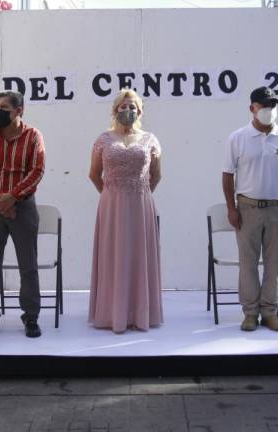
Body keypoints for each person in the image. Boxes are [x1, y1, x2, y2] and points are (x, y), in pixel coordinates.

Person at [222, 87, 278, 332]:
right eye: (264, 106)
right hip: (247, 207)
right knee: (248, 262)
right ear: (252, 109)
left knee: (274, 262)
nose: (269, 111)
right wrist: (231, 208)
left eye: (272, 106)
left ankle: (270, 311)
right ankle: (250, 313)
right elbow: (227, 175)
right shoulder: (238, 138)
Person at [88, 88, 163, 333]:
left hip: (141, 203)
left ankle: (140, 313)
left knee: (138, 253)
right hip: (111, 204)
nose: (128, 111)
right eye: (124, 106)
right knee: (114, 254)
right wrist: (111, 192)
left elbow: (156, 175)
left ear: (139, 111)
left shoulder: (151, 139)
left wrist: (138, 190)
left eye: (133, 107)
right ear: (115, 109)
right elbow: (93, 174)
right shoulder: (102, 139)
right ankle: (113, 314)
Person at [0, 91, 45, 339]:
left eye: (4, 107)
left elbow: (37, 171)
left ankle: (31, 317)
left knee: (28, 264)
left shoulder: (33, 136)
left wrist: (13, 196)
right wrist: (0, 198)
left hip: (23, 206)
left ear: (19, 111)